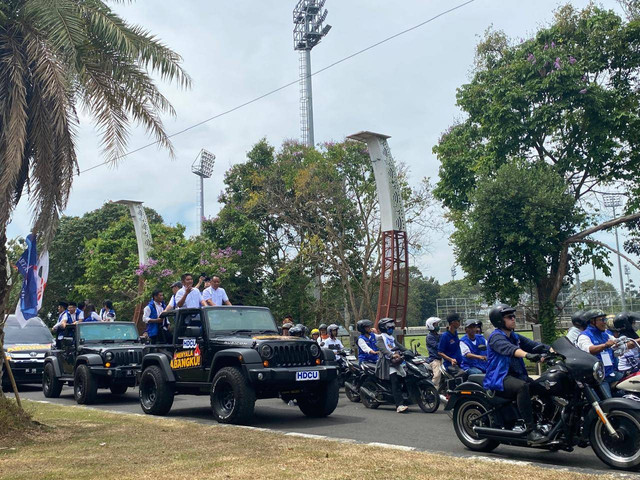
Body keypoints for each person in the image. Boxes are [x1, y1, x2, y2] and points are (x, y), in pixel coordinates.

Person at [484, 304, 550, 444]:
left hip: (517, 376)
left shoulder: (514, 336)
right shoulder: (496, 337)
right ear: (499, 320)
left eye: (513, 316)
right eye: (509, 317)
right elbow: (510, 349)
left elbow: (533, 345)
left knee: (545, 386)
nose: (514, 319)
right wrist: (528, 355)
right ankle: (530, 429)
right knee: (522, 387)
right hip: (500, 378)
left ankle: (547, 423)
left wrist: (553, 350)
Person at [577, 309, 628, 397]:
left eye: (605, 319)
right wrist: (605, 345)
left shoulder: (605, 334)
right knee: (607, 403)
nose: (605, 322)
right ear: (592, 321)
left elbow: (618, 342)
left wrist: (634, 342)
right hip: (599, 378)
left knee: (632, 381)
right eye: (602, 320)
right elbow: (590, 349)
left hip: (611, 373)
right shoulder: (584, 336)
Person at [375, 317, 408, 413]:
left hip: (397, 362)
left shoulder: (391, 338)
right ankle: (399, 405)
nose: (391, 330)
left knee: (405, 375)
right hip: (387, 364)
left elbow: (399, 346)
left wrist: (409, 351)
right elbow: (382, 349)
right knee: (395, 382)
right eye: (389, 328)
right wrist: (392, 355)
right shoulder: (380, 337)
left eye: (392, 328)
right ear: (384, 328)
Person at [437, 313, 466, 378]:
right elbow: (440, 352)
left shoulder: (455, 333)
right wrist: (451, 360)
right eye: (458, 321)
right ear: (453, 323)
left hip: (459, 363)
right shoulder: (445, 336)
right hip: (450, 365)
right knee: (463, 374)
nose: (459, 323)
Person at [425, 317, 443, 389]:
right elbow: (438, 346)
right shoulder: (429, 337)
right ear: (431, 325)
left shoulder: (438, 335)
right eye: (436, 324)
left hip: (442, 358)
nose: (437, 326)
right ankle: (432, 390)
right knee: (437, 375)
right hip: (434, 360)